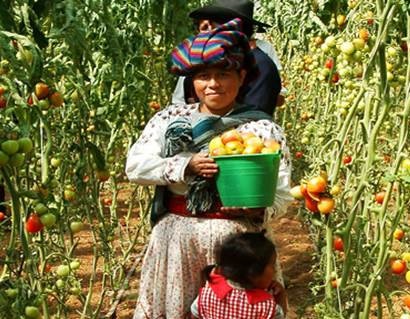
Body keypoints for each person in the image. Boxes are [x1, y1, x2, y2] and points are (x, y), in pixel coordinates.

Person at [126, 18, 292, 319]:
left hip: (240, 249)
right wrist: (184, 165)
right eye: (203, 76)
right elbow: (135, 166)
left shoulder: (262, 129)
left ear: (242, 77)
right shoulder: (170, 120)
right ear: (192, 80)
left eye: (223, 74)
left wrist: (257, 211)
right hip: (176, 242)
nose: (213, 84)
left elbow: (281, 192)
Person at [171, 0, 284, 116]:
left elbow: (253, 118)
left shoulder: (261, 65)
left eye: (212, 25)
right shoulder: (206, 60)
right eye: (204, 76)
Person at [190, 231, 286, 318]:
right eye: (272, 265)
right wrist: (281, 295)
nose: (275, 271)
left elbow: (194, 313)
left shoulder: (209, 292)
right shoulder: (265, 306)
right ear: (253, 273)